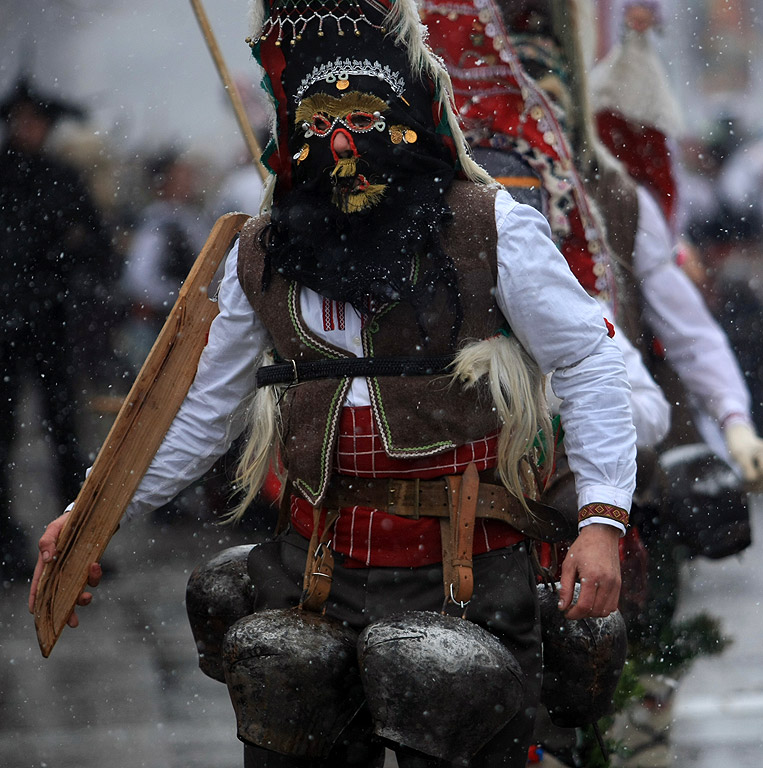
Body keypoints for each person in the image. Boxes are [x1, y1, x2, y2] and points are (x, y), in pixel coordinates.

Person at [30, 0, 636, 765]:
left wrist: (600, 522)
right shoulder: (260, 249)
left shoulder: (493, 226)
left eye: (361, 114)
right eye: (317, 123)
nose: (341, 142)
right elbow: (200, 415)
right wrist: (93, 515)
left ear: (409, 113)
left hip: (466, 575)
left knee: (456, 705)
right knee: (279, 700)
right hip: (314, 572)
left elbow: (588, 361)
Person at [0, 77, 111, 583]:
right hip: (5, 326)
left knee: (65, 431)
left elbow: (98, 248)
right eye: (20, 120)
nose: (27, 129)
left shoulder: (62, 178)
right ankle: (5, 544)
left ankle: (77, 539)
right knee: (4, 434)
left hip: (50, 321)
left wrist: (65, 256)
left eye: (35, 120)